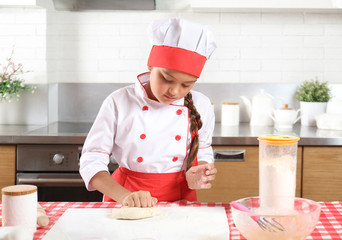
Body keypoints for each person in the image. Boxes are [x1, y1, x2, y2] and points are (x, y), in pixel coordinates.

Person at [79, 18, 218, 208]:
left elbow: (203, 148)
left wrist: (200, 170)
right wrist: (125, 196)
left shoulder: (201, 104)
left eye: (187, 84)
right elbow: (92, 160)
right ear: (151, 66)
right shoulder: (119, 101)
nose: (175, 91)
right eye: (167, 79)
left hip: (181, 198)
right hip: (125, 196)